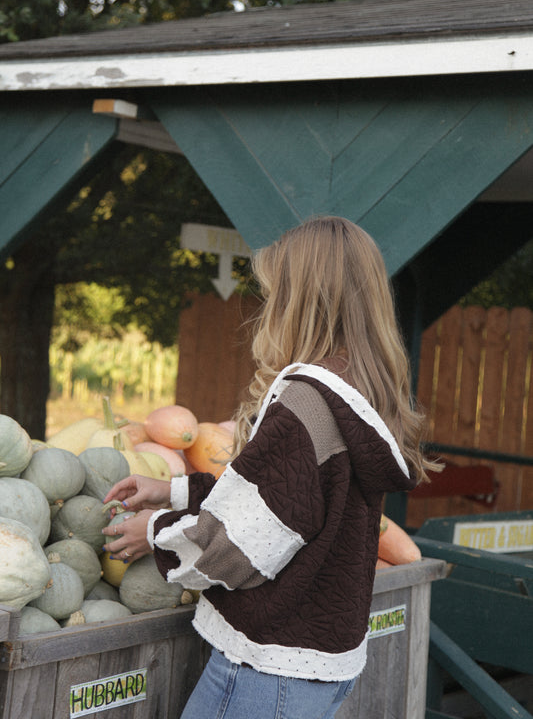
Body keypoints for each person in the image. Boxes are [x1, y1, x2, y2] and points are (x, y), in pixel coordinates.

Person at [102, 216, 440, 719]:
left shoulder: (307, 405)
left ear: (299, 300)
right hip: (318, 663)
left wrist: (153, 531)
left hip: (267, 671)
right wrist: (175, 492)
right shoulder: (360, 397)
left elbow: (236, 549)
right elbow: (287, 506)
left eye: (274, 291)